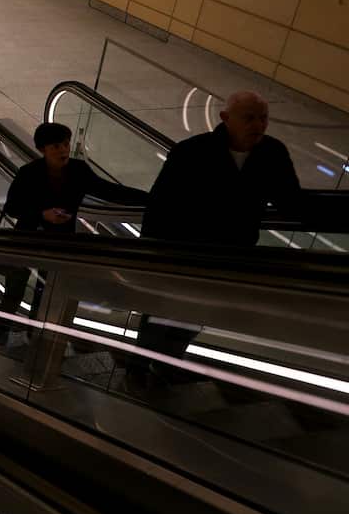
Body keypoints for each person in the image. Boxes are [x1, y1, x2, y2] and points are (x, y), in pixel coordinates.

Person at [130, 91, 304, 380]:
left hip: (229, 256)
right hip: (183, 253)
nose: (258, 125)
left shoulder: (272, 152)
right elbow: (160, 204)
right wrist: (151, 251)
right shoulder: (192, 152)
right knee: (165, 310)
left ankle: (165, 363)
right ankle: (141, 365)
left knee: (195, 314)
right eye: (249, 118)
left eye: (263, 118)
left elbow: (291, 202)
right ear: (225, 118)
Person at [0, 122, 148, 344]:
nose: (63, 150)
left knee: (45, 290)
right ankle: (0, 335)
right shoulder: (29, 173)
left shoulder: (78, 170)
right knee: (14, 290)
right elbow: (12, 207)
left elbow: (108, 191)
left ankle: (34, 334)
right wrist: (43, 214)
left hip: (59, 242)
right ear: (42, 149)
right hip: (26, 240)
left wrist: (150, 199)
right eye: (56, 146)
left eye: (65, 144)